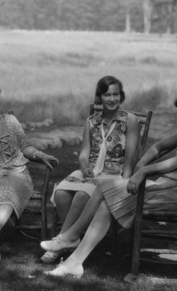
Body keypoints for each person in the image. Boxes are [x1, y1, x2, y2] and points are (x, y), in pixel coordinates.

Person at [41, 80, 177, 278]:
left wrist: (143, 172)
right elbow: (158, 146)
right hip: (167, 186)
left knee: (105, 189)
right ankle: (75, 260)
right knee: (105, 198)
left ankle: (70, 238)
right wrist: (142, 163)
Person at [40, 76, 140, 264]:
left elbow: (130, 158)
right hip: (92, 171)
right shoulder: (91, 121)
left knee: (81, 196)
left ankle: (61, 242)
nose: (112, 99)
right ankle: (71, 239)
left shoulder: (129, 120)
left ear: (121, 96)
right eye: (107, 95)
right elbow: (84, 154)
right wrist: (85, 168)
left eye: (116, 94)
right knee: (61, 193)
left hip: (114, 174)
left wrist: (124, 184)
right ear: (99, 97)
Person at [0, 83, 59, 260]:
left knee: (11, 191)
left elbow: (25, 146)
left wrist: (40, 155)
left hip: (17, 171)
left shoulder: (11, 121)